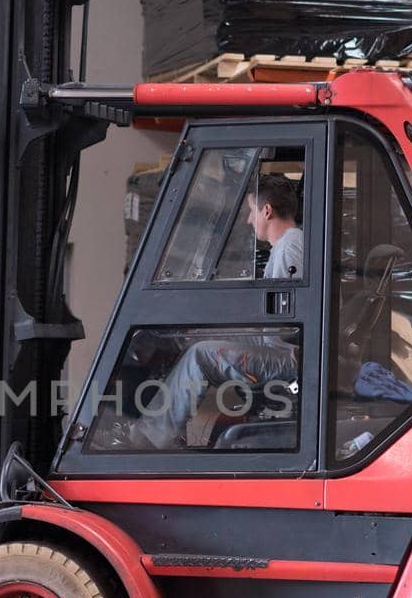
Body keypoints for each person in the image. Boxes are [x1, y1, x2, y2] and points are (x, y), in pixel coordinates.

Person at [128, 175, 304, 451]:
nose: (248, 220)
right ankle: (159, 425)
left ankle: (150, 438)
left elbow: (283, 318)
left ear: (266, 211)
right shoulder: (288, 246)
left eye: (251, 211)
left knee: (202, 354)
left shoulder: (290, 247)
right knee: (193, 339)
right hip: (278, 343)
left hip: (286, 356)